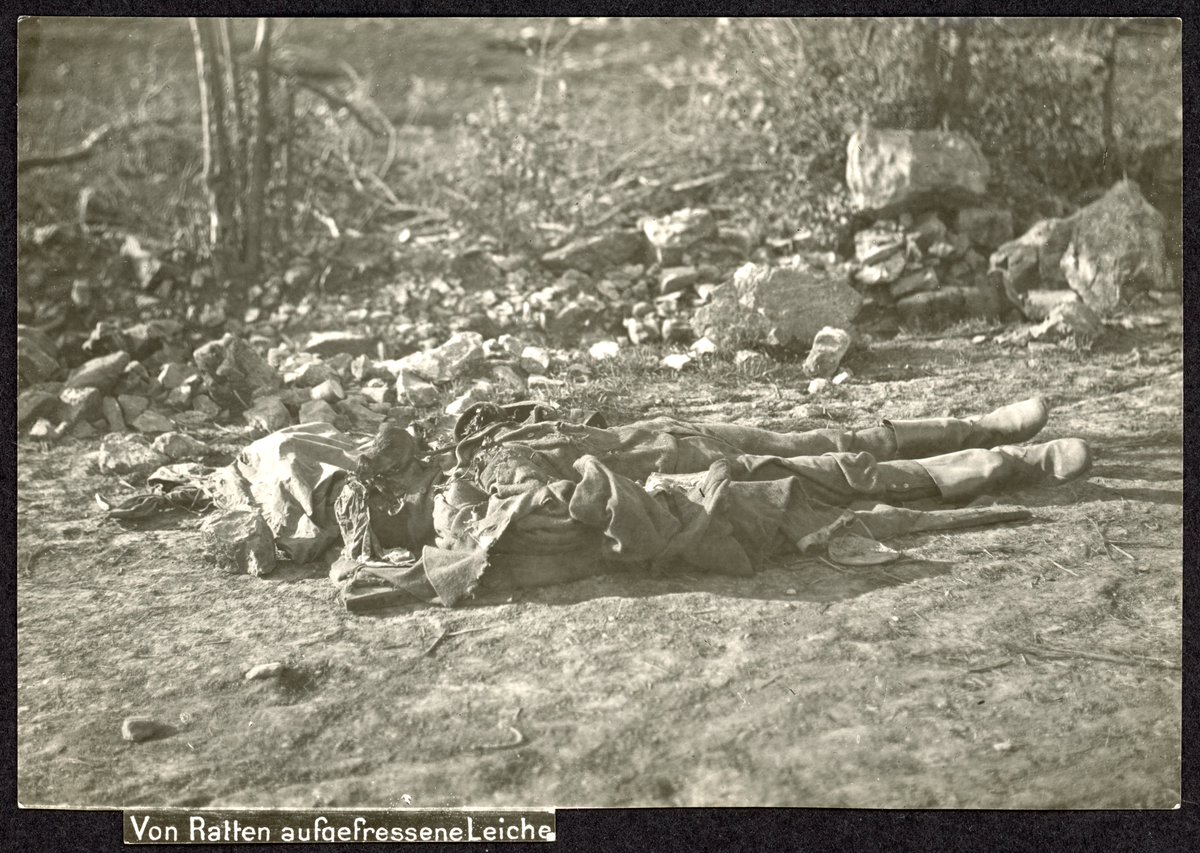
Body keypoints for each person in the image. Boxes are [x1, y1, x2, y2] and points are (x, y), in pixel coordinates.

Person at [328, 397, 1091, 608]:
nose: (427, 459)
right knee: (837, 472)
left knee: (825, 433)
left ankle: (980, 423)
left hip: (673, 436)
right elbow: (565, 504)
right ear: (400, 497)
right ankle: (1004, 460)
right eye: (408, 468)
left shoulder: (467, 454)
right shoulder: (463, 507)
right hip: (679, 479)